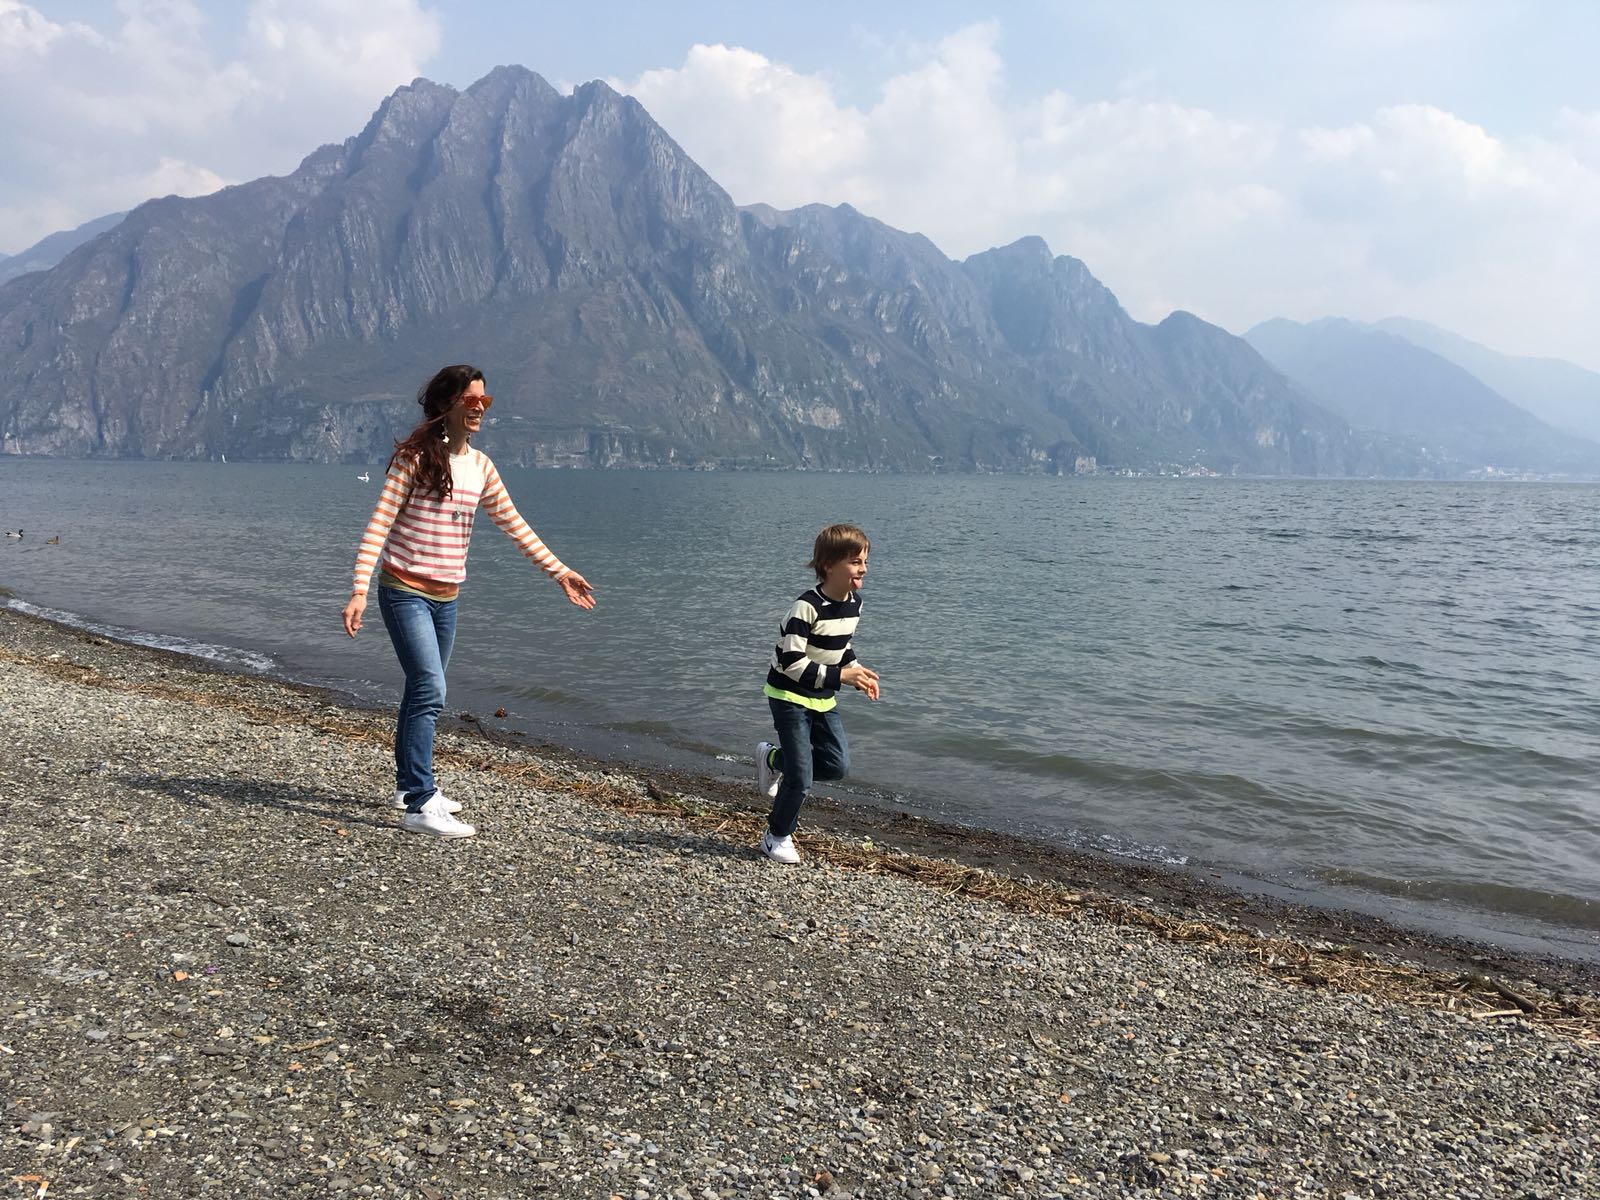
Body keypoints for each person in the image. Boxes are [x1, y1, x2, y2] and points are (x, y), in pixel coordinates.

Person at [341, 365, 595, 838]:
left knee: (422, 689)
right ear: (446, 406)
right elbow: (378, 525)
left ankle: (406, 785)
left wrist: (560, 572)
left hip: (447, 599)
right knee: (429, 690)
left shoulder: (480, 467)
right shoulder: (414, 459)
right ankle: (420, 802)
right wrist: (359, 589)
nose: (479, 407)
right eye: (470, 400)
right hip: (404, 591)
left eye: (485, 401)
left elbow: (515, 525)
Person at [754, 523, 880, 864]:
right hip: (788, 695)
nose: (864, 568)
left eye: (865, 560)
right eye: (855, 561)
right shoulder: (805, 607)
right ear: (828, 566)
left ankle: (773, 760)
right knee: (802, 778)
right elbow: (792, 662)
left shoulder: (855, 603)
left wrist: (858, 671)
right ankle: (776, 836)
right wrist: (842, 676)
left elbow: (841, 647)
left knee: (837, 766)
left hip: (822, 696)